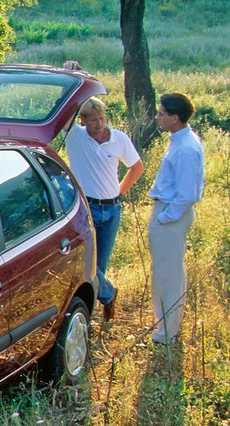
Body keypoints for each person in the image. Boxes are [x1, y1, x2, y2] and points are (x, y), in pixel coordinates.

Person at [62, 64, 145, 321]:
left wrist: (119, 191)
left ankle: (101, 303)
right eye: (92, 120)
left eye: (101, 119)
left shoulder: (118, 138)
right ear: (83, 120)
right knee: (88, 264)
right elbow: (63, 109)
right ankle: (107, 296)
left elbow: (137, 167)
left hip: (112, 208)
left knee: (100, 265)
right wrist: (72, 76)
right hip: (87, 208)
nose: (98, 124)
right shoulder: (75, 136)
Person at [148, 92, 204, 344]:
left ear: (175, 117)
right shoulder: (179, 140)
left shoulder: (187, 147)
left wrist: (165, 218)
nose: (157, 117)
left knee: (166, 275)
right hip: (167, 212)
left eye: (161, 114)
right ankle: (167, 326)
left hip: (171, 215)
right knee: (168, 272)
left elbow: (188, 194)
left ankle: (166, 332)